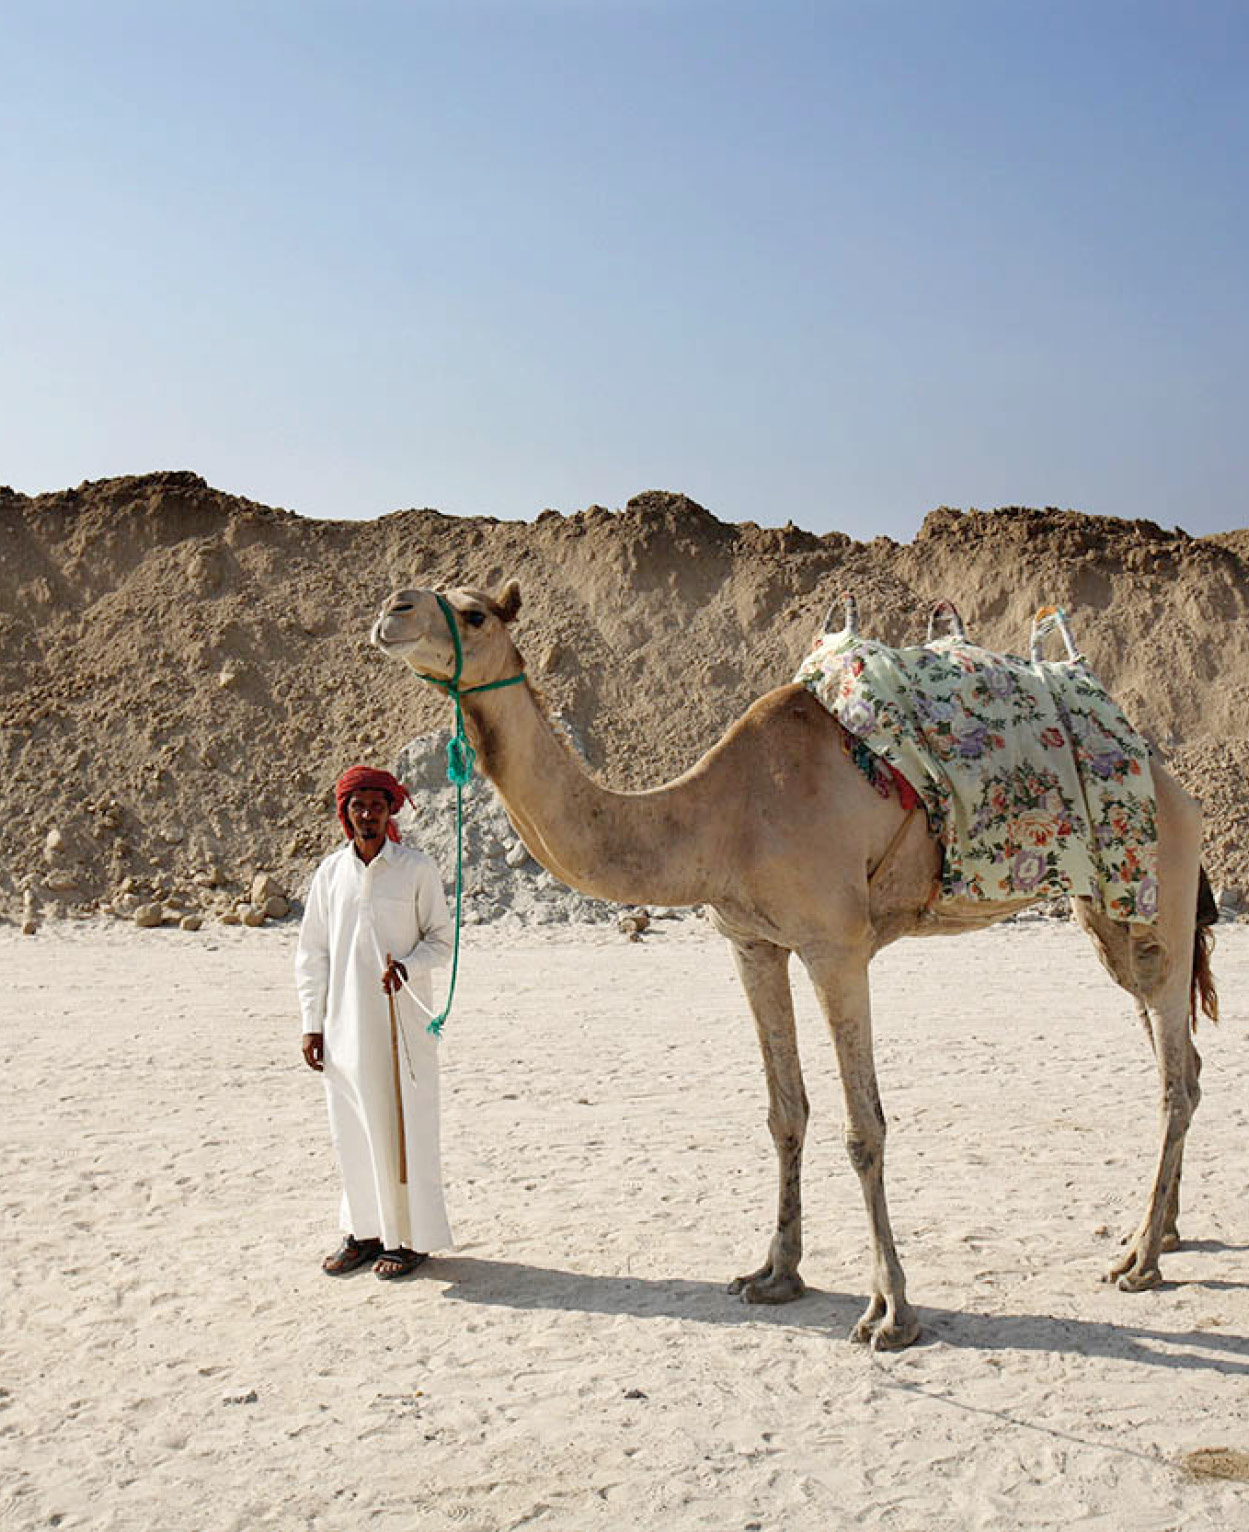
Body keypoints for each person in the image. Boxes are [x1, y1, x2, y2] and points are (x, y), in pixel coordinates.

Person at [296, 765, 454, 1279]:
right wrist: (311, 1024)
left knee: (404, 1129)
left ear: (391, 812)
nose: (367, 814)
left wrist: (408, 966)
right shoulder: (329, 874)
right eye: (358, 805)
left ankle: (409, 1240)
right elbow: (312, 954)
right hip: (343, 1028)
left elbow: (441, 940)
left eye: (377, 805)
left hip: (400, 1029)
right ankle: (363, 1233)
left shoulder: (415, 869)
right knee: (353, 1130)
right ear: (345, 813)